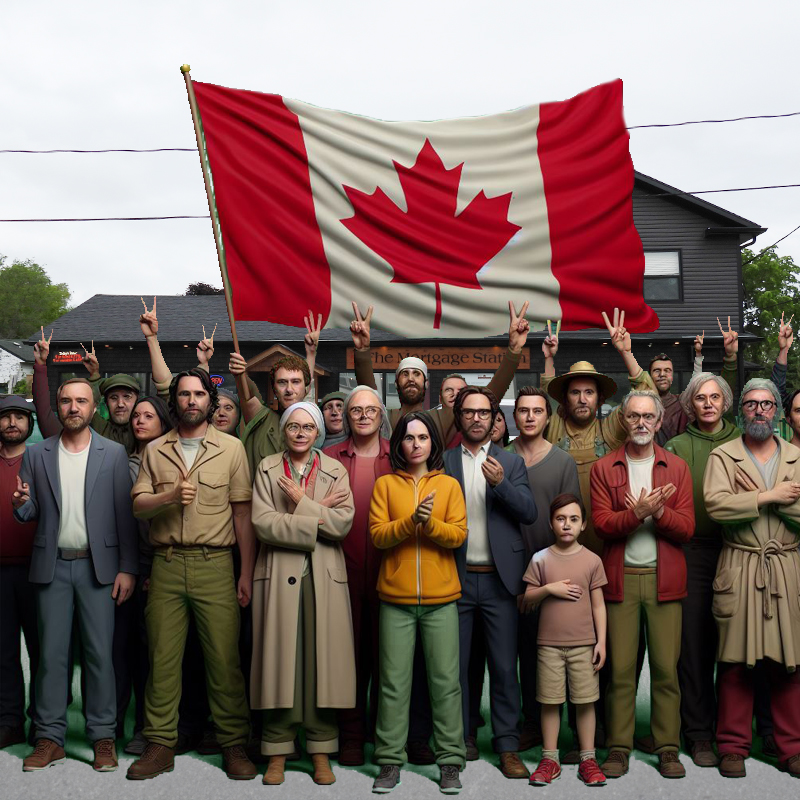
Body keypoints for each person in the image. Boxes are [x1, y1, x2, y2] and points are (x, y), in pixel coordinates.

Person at [126, 368, 257, 780]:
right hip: (165, 565)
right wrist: (168, 496)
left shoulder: (232, 449)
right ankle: (160, 744)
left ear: (210, 401)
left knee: (224, 659)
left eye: (200, 394)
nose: (192, 401)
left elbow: (242, 514)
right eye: (184, 394)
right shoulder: (154, 450)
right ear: (175, 401)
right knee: (162, 659)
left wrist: (246, 573)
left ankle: (233, 743)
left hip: (216, 565)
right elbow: (137, 506)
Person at [12, 377, 138, 772]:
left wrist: (128, 569)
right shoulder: (37, 454)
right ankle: (50, 737)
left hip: (97, 570)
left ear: (93, 406)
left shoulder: (114, 453)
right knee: (50, 658)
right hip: (51, 568)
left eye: (81, 401)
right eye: (65, 401)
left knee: (100, 655)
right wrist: (21, 504)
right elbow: (30, 514)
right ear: (59, 406)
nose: (72, 408)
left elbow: (125, 517)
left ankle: (103, 737)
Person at [590, 390, 695, 779]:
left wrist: (660, 512)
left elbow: (686, 529)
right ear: (623, 420)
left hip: (665, 580)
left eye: (648, 416)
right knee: (619, 671)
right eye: (633, 416)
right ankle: (619, 746)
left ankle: (668, 747)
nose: (641, 423)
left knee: (667, 669)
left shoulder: (677, 467)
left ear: (659, 421)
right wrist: (636, 514)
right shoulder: (605, 468)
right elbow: (600, 525)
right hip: (620, 582)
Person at [250, 401, 356, 786]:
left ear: (318, 434)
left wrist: (302, 503)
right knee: (280, 662)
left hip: (324, 575)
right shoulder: (266, 468)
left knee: (321, 663)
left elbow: (343, 524)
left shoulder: (334, 469)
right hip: (277, 574)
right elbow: (263, 524)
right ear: (282, 431)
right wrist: (317, 511)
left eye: (307, 427)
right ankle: (276, 750)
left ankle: (321, 749)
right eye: (292, 426)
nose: (299, 433)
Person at [703, 378, 800, 779]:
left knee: (790, 663)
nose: (759, 410)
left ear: (777, 411)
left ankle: (791, 747)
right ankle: (732, 747)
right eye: (750, 404)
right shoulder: (723, 456)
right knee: (735, 662)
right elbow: (715, 506)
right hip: (739, 566)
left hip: (786, 568)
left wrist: (752, 499)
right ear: (739, 410)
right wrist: (771, 496)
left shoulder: (797, 455)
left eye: (766, 404)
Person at [369, 413, 468, 794]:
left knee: (445, 684)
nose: (415, 444)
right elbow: (378, 536)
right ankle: (390, 761)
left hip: (442, 600)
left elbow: (458, 536)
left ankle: (450, 762)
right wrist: (412, 521)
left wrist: (429, 524)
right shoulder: (385, 485)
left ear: (433, 444)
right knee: (393, 684)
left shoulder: (448, 486)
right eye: (408, 438)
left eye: (423, 437)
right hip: (395, 599)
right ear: (398, 444)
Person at [442, 387, 536, 779]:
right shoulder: (442, 461)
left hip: (500, 582)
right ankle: (460, 739)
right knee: (457, 668)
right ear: (459, 417)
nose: (477, 419)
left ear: (495, 418)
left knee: (502, 667)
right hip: (455, 581)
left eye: (485, 412)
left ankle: (507, 745)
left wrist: (501, 485)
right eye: (469, 412)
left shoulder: (511, 463)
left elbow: (529, 512)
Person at [661, 372, 739, 765]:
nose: (708, 404)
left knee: (731, 645)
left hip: (736, 551)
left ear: (725, 402)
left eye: (715, 397)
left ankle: (731, 734)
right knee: (691, 646)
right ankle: (697, 733)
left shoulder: (743, 442)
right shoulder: (675, 446)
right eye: (700, 398)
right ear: (690, 405)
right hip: (688, 552)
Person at [541, 309, 657, 556]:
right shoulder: (553, 428)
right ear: (564, 398)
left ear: (599, 398)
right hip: (560, 538)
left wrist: (625, 352)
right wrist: (549, 359)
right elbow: (544, 400)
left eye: (589, 392)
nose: (582, 400)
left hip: (607, 539)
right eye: (575, 392)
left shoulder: (612, 428)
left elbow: (648, 397)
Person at [507, 387, 580, 751]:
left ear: (548, 417)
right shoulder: (501, 457)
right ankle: (529, 723)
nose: (531, 417)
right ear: (515, 416)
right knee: (520, 654)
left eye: (538, 411)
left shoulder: (563, 462)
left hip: (552, 574)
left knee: (556, 652)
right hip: (508, 573)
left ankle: (563, 725)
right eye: (524, 411)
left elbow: (570, 523)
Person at [323, 385, 393, 766]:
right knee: (346, 658)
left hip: (389, 573)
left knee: (388, 658)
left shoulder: (397, 458)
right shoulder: (329, 457)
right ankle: (349, 734)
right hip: (340, 572)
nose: (364, 416)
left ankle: (384, 733)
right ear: (346, 417)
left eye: (371, 410)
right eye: (356, 410)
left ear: (381, 415)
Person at [350, 300, 530, 443]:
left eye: (416, 374)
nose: (411, 378)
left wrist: (513, 351)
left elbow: (488, 398)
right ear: (396, 383)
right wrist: (362, 351)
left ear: (426, 383)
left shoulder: (441, 419)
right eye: (405, 374)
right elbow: (368, 394)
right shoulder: (387, 417)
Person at [522, 493, 608, 787]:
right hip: (548, 646)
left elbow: (599, 605)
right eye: (560, 519)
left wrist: (601, 642)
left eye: (573, 519)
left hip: (584, 645)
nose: (567, 525)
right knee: (550, 701)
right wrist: (550, 588)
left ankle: (588, 759)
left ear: (583, 524)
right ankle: (550, 759)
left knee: (585, 702)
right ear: (551, 523)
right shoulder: (541, 559)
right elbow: (526, 599)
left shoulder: (592, 560)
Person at [116, 395, 173, 756]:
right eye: (136, 415)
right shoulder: (120, 460)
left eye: (148, 415)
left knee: (159, 653)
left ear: (163, 422)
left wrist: (153, 567)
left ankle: (155, 728)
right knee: (128, 651)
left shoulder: (171, 457)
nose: (139, 420)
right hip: (128, 565)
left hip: (161, 563)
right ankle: (128, 724)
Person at [229, 312, 321, 474]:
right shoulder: (262, 419)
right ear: (274, 388)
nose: (289, 389)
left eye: (295, 382)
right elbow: (248, 395)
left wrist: (311, 354)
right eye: (282, 382)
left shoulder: (315, 423)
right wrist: (240, 374)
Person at [0, 396, 40, 749]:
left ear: (30, 423)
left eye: (18, 416)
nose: (12, 422)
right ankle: (10, 721)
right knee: (4, 651)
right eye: (5, 417)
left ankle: (44, 721)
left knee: (44, 650)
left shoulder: (41, 461)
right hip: (0, 572)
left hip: (37, 571)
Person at [650, 325, 738, 447]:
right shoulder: (642, 403)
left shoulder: (680, 402)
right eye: (657, 371)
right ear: (649, 375)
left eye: (667, 370)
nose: (662, 375)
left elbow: (697, 385)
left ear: (672, 376)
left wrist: (729, 356)